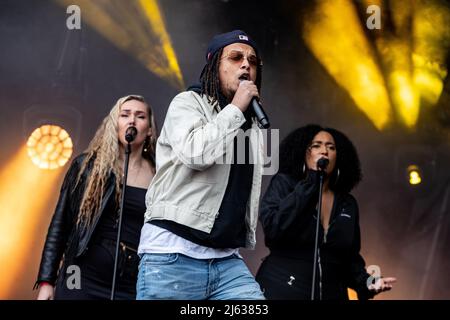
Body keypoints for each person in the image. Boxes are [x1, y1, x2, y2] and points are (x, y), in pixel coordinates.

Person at [136, 30, 266, 300]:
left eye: (252, 61)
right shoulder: (187, 103)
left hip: (226, 259)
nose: (246, 65)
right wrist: (235, 110)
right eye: (236, 57)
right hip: (172, 254)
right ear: (215, 65)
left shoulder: (250, 122)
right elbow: (197, 154)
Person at [35, 95, 157, 300]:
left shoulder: (159, 174)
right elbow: (60, 224)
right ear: (114, 124)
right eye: (125, 115)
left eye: (140, 116)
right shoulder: (88, 166)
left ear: (150, 130)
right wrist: (47, 281)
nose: (132, 121)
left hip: (130, 281)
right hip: (81, 275)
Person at [255, 124, 396, 300]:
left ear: (339, 157)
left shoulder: (347, 203)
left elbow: (349, 259)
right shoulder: (285, 185)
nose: (324, 151)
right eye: (316, 145)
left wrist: (368, 283)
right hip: (282, 289)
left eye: (331, 147)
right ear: (304, 153)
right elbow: (273, 230)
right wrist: (311, 182)